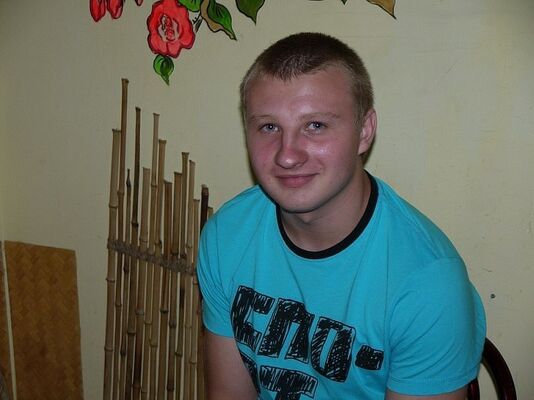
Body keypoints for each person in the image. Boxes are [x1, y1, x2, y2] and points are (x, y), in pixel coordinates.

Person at [197, 32, 486, 400]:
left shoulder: (427, 283)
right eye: (269, 127)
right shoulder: (227, 236)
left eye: (315, 125)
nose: (287, 155)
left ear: (364, 132)